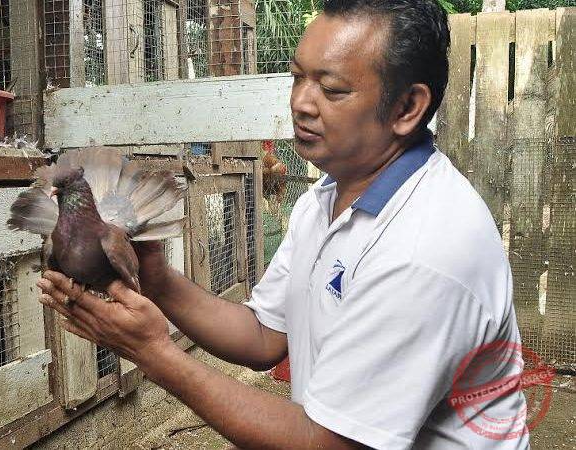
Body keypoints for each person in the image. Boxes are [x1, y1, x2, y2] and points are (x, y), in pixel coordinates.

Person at [37, 0, 529, 448]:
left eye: (331, 89)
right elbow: (264, 337)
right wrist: (157, 281)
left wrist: (152, 352)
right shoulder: (325, 199)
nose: (301, 103)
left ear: (406, 108)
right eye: (297, 78)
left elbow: (329, 444)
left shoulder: (423, 249)